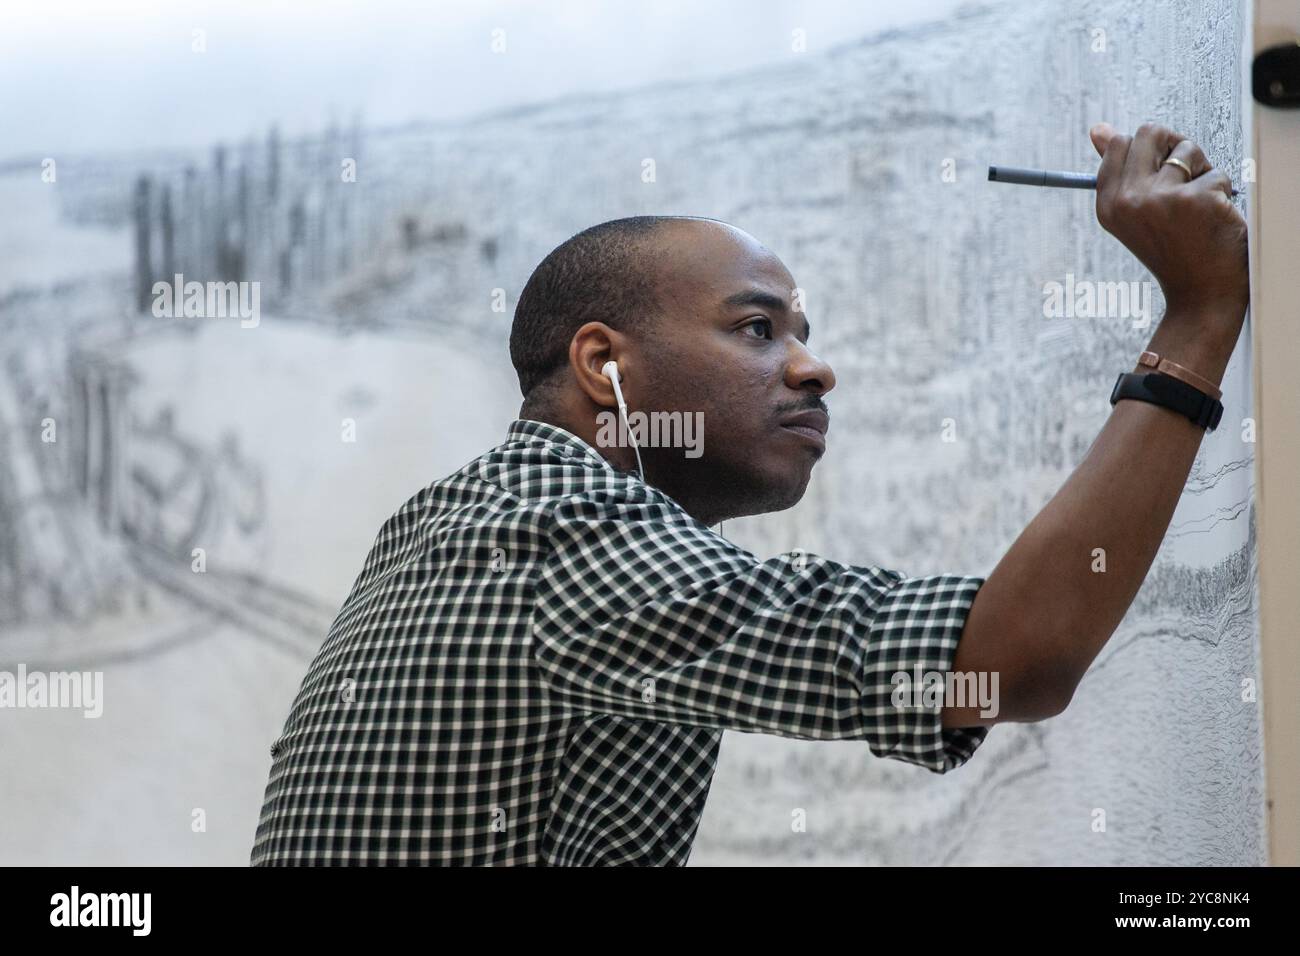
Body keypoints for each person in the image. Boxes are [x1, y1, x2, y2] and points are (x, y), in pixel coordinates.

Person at [250, 122, 1249, 865]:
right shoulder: (562, 537)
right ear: (604, 363)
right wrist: (1199, 314)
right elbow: (1009, 658)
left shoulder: (452, 518)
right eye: (758, 329)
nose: (813, 369)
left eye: (801, 331)